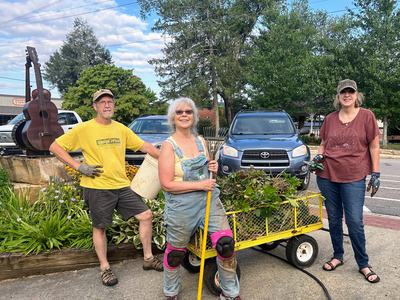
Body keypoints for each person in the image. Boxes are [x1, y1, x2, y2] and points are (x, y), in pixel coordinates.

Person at [49, 89, 163, 287]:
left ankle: (147, 258)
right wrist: (78, 166)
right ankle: (105, 267)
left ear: (114, 105)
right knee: (100, 227)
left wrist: (172, 160)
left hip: (121, 186)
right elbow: (55, 147)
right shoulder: (83, 129)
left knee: (145, 215)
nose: (107, 105)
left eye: (110, 101)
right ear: (95, 106)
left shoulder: (121, 129)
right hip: (97, 187)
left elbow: (146, 147)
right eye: (102, 102)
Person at [158, 97, 240, 300]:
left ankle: (230, 293)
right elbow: (167, 184)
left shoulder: (202, 141)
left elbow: (210, 177)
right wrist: (199, 185)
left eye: (188, 111)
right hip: (181, 207)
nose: (184, 115)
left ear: (194, 116)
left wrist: (214, 169)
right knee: (176, 253)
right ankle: (171, 292)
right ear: (173, 118)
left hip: (209, 201)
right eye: (179, 112)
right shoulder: (168, 146)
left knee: (226, 245)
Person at [311, 79, 381, 283]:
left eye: (351, 91)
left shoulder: (367, 116)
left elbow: (374, 147)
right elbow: (323, 144)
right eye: (343, 92)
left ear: (357, 95)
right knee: (333, 219)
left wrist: (376, 173)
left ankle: (363, 263)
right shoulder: (330, 119)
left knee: (354, 222)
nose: (347, 95)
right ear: (338, 96)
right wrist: (318, 157)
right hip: (327, 175)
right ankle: (338, 256)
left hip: (354, 176)